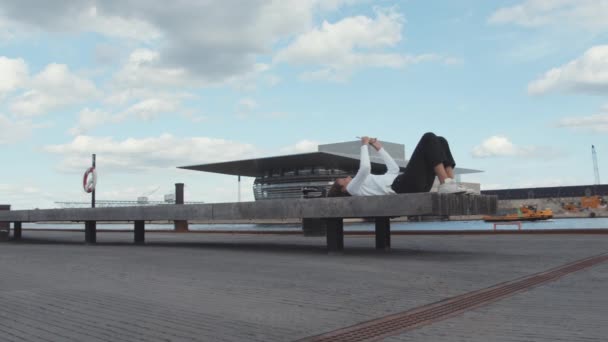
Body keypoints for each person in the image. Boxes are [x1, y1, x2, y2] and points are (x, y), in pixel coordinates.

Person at [327, 132, 469, 197]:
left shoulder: (366, 185)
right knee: (428, 138)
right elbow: (365, 168)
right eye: (344, 180)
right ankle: (445, 183)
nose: (347, 178)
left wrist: (379, 148)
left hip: (406, 184)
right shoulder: (353, 189)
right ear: (344, 189)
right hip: (402, 186)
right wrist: (364, 145)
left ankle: (451, 183)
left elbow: (393, 169)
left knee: (440, 140)